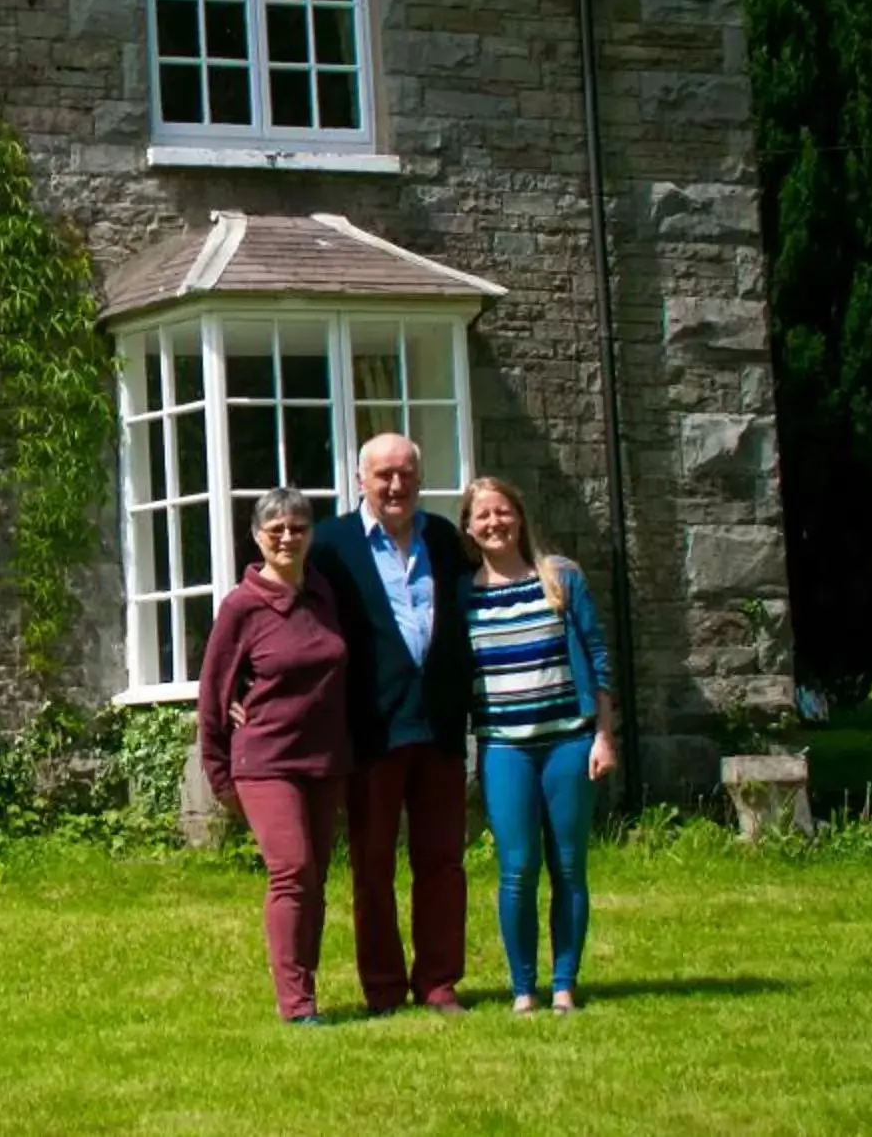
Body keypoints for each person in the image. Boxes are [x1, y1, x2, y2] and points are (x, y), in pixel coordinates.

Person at [307, 432, 475, 1017]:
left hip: (441, 728)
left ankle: (437, 982)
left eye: (406, 473)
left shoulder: (447, 542)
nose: (396, 485)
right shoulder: (329, 545)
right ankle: (382, 988)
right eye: (383, 475)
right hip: (371, 731)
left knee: (443, 863)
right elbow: (277, 607)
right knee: (373, 867)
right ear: (361, 481)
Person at [196, 487, 353, 1026]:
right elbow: (213, 695)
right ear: (257, 536)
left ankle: (305, 985)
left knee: (315, 880)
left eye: (299, 527)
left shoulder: (324, 594)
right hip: (265, 761)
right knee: (292, 870)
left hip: (325, 760)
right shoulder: (241, 607)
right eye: (276, 529)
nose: (288, 537)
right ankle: (296, 1005)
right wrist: (219, 777)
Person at [460, 475, 617, 1015]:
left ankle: (564, 984)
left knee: (569, 866)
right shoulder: (464, 593)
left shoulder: (561, 579)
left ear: (519, 517)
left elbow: (598, 660)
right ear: (469, 527)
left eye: (502, 512)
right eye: (483, 515)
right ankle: (523, 988)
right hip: (505, 749)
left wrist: (603, 735)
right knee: (518, 867)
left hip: (569, 745)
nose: (494, 523)